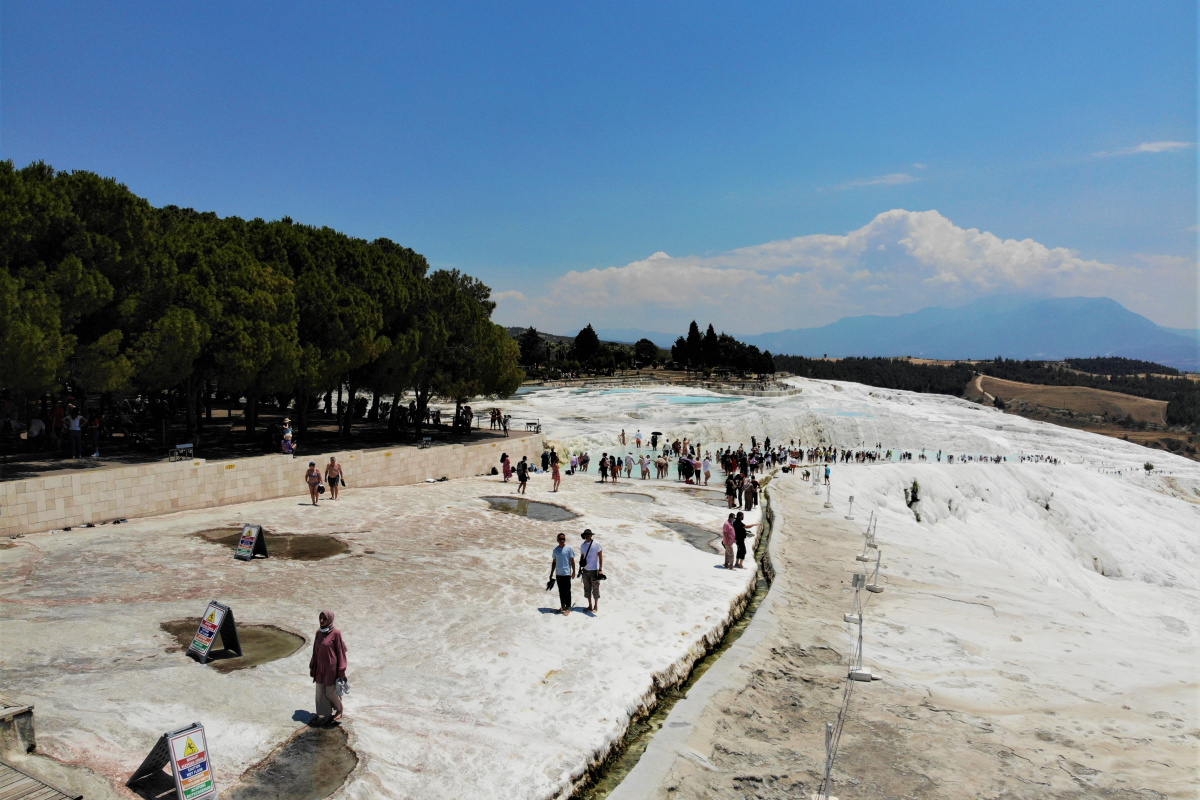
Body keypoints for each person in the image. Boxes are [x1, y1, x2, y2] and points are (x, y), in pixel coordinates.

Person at [309, 610, 348, 727]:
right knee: (320, 692)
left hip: (331, 668)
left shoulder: (336, 633)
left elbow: (341, 652)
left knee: (330, 692)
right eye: (320, 618)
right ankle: (325, 714)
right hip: (320, 667)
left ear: (330, 619)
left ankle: (340, 709)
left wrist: (341, 669)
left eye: (324, 619)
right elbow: (315, 651)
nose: (321, 621)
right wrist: (312, 666)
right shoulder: (318, 633)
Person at [549, 533, 576, 615]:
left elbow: (572, 561)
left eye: (563, 539)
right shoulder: (555, 550)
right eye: (560, 539)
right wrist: (551, 574)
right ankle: (562, 606)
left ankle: (568, 607)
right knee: (561, 591)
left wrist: (574, 571)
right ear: (557, 540)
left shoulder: (569, 549)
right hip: (558, 573)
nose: (562, 541)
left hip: (567, 573)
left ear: (565, 540)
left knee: (567, 591)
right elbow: (554, 562)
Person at [579, 529, 604, 613]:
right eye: (586, 534)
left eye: (588, 534)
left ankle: (596, 606)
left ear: (591, 535)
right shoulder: (583, 545)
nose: (587, 535)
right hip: (585, 570)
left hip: (594, 570)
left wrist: (600, 569)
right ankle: (590, 605)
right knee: (587, 589)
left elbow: (600, 557)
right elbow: (582, 556)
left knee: (595, 589)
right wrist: (579, 569)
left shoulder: (596, 544)